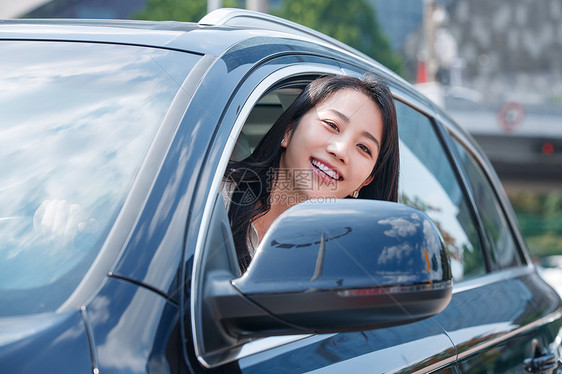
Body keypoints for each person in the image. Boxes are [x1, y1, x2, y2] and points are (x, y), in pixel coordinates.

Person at [223, 74, 399, 272]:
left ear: (366, 181)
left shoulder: (344, 270)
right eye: (332, 125)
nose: (340, 151)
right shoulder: (208, 196)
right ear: (288, 130)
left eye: (363, 148)